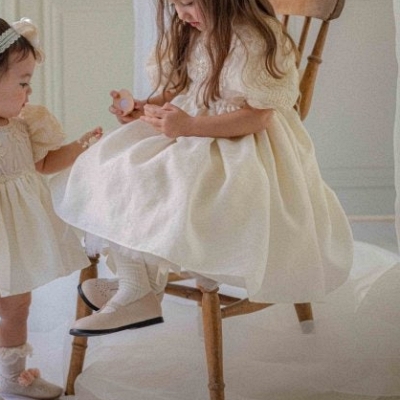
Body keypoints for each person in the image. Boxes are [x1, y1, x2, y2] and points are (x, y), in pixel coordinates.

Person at [51, 0, 353, 337]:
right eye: (175, 4)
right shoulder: (191, 30)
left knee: (160, 178)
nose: (181, 14)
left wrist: (190, 126)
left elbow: (258, 117)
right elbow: (182, 88)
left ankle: (138, 289)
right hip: (189, 126)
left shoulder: (256, 39)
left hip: (238, 141)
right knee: (110, 163)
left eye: (188, 3)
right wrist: (144, 107)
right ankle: (137, 284)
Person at [0, 17, 102, 399]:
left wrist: (80, 147)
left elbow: (43, 164)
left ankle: (12, 375)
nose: (29, 92)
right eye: (22, 83)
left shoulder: (23, 125)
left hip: (14, 239)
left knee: (17, 303)